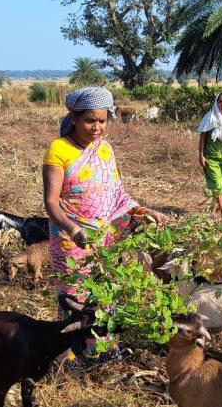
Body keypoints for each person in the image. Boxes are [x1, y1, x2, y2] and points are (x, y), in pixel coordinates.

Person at [43, 86, 165, 300]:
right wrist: (74, 230)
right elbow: (51, 202)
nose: (97, 127)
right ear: (74, 118)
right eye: (90, 120)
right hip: (71, 241)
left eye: (102, 121)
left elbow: (117, 193)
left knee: (104, 300)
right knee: (74, 301)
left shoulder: (105, 149)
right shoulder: (59, 149)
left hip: (103, 239)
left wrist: (143, 211)